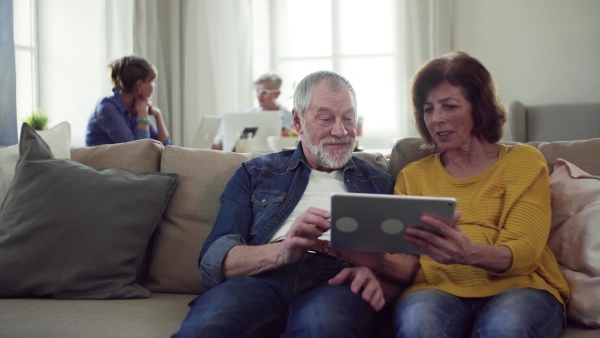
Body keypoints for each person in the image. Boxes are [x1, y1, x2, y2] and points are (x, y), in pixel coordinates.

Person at [173, 70, 416, 338]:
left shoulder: (378, 182)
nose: (341, 130)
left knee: (324, 329)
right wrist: (282, 252)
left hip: (337, 278)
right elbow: (214, 258)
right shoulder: (256, 172)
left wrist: (369, 262)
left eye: (348, 118)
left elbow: (408, 266)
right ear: (298, 121)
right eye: (326, 118)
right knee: (208, 328)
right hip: (261, 276)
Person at [392, 51, 570, 338]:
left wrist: (467, 252)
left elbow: (524, 251)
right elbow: (407, 262)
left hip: (520, 288)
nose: (436, 119)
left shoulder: (524, 161)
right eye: (428, 109)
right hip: (434, 291)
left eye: (449, 106)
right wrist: (366, 258)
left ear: (480, 108)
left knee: (505, 328)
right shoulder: (413, 177)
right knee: (418, 325)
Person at [85, 56, 172, 146]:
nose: (155, 87)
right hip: (100, 160)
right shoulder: (107, 108)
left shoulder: (136, 107)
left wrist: (158, 115)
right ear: (139, 85)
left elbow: (166, 147)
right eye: (152, 81)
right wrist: (142, 113)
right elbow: (138, 151)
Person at [211, 72, 293, 150]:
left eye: (264, 92)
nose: (259, 95)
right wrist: (217, 142)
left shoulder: (290, 118)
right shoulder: (248, 114)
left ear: (277, 94)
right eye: (258, 91)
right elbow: (225, 136)